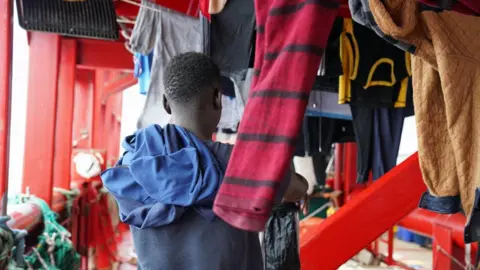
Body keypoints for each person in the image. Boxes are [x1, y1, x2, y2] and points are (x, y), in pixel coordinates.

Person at [101, 52, 308, 270]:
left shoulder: (135, 162)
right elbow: (297, 187)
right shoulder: (237, 163)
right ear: (218, 98)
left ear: (166, 103)